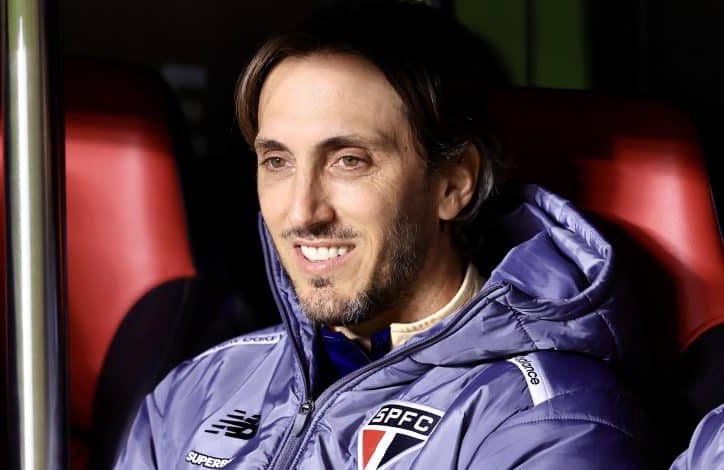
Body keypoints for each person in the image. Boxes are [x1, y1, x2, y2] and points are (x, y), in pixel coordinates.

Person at [116, 2, 648, 468]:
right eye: (277, 161)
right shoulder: (197, 389)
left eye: (349, 160)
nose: (302, 211)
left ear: (453, 184)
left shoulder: (548, 420)